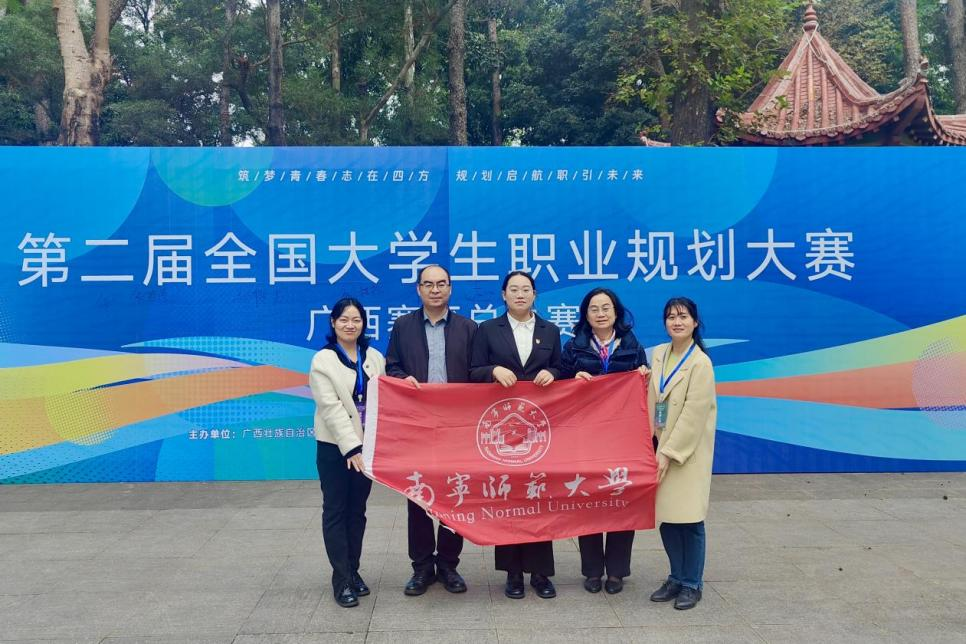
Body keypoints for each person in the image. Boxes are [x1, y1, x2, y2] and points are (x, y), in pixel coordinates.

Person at [385, 264, 478, 596]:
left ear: (450, 288)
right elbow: (392, 366)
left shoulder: (468, 328)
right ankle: (422, 567)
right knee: (418, 494)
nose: (435, 290)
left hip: (457, 427)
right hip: (418, 425)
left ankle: (449, 565)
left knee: (455, 494)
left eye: (441, 284)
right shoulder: (403, 326)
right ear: (419, 289)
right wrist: (402, 379)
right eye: (428, 284)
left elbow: (478, 373)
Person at [470, 270, 562, 600]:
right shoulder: (486, 329)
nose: (520, 294)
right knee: (509, 497)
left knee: (538, 495)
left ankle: (540, 573)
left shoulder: (550, 330)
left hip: (539, 429)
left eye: (526, 289)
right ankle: (512, 573)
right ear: (503, 295)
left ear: (535, 294)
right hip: (502, 430)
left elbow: (561, 367)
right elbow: (472, 371)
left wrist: (551, 373)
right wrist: (493, 371)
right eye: (514, 289)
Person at [560, 287, 649, 595]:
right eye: (594, 308)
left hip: (623, 438)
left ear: (616, 312)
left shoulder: (632, 346)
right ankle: (593, 571)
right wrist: (572, 380)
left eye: (606, 307)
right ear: (585, 315)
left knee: (621, 498)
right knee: (589, 501)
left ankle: (617, 571)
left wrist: (643, 375)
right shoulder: (574, 347)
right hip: (586, 438)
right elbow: (558, 385)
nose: (600, 313)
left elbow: (643, 388)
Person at [310, 298, 386, 608]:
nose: (350, 325)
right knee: (335, 511)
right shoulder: (323, 360)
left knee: (357, 511)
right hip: (335, 448)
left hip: (366, 448)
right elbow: (330, 408)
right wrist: (351, 447)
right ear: (333, 322)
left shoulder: (375, 357)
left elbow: (386, 396)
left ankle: (353, 571)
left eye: (356, 320)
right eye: (344, 319)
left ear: (364, 323)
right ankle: (340, 580)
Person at [647, 297, 717, 610]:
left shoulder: (700, 363)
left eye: (683, 316)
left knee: (690, 520)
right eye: (671, 317)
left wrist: (669, 452)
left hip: (686, 454)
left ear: (695, 322)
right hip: (658, 446)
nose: (677, 322)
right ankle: (675, 576)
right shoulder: (659, 354)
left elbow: (693, 414)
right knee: (668, 518)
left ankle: (692, 583)